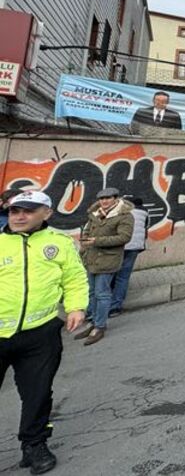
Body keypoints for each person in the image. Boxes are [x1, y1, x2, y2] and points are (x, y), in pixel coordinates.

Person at [0, 191, 88, 475]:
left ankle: (34, 445)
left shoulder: (59, 243)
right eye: (15, 211)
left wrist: (76, 307)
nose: (20, 216)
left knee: (38, 394)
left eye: (28, 210)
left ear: (47, 213)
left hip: (41, 334)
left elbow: (74, 277)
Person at [75, 187, 134, 345]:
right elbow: (87, 231)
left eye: (108, 198)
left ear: (116, 198)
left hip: (108, 260)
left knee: (102, 294)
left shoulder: (125, 215)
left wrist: (96, 241)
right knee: (92, 292)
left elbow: (124, 237)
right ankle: (93, 322)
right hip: (91, 258)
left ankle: (99, 327)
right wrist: (85, 241)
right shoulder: (95, 213)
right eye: (102, 199)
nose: (104, 201)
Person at [109, 197, 149, 317]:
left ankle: (104, 303)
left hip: (118, 245)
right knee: (123, 277)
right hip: (135, 247)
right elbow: (146, 228)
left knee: (110, 273)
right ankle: (115, 307)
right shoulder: (145, 212)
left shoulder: (119, 210)